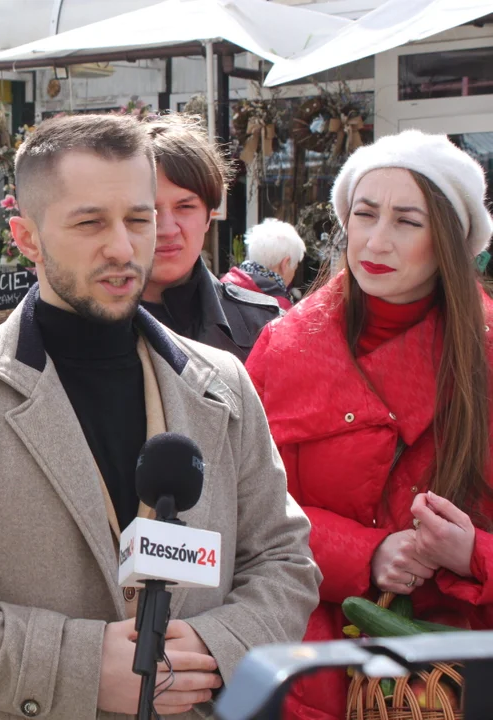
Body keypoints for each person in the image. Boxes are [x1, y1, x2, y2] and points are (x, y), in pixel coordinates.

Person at [0, 113, 320, 720]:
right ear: (26, 238)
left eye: (138, 219)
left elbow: (284, 559)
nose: (124, 249)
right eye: (89, 223)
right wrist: (75, 668)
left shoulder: (222, 384)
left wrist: (216, 645)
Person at [247, 131, 493, 720]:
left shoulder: (485, 355)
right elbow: (243, 507)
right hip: (303, 663)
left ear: (450, 242)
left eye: (407, 222)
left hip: (456, 671)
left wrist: (471, 555)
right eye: (364, 214)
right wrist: (367, 552)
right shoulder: (283, 346)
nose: (376, 241)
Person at [141, 115, 281, 361]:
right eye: (148, 211)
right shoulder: (78, 330)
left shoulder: (265, 327)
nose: (166, 228)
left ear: (209, 216)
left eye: (185, 207)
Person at [220, 218, 306, 310]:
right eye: (294, 267)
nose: (293, 274)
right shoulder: (279, 309)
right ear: (285, 264)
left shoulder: (219, 290)